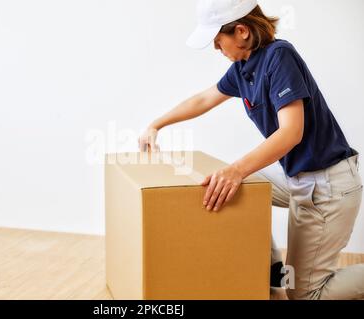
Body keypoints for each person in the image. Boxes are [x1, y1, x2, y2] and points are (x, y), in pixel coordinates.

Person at [138, 0, 364, 300]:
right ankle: (271, 271)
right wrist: (156, 124)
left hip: (328, 186)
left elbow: (290, 132)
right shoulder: (243, 67)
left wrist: (237, 169)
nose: (218, 50)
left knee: (306, 296)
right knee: (230, 187)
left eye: (219, 43)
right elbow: (203, 99)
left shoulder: (279, 57)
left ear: (241, 31)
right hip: (297, 176)